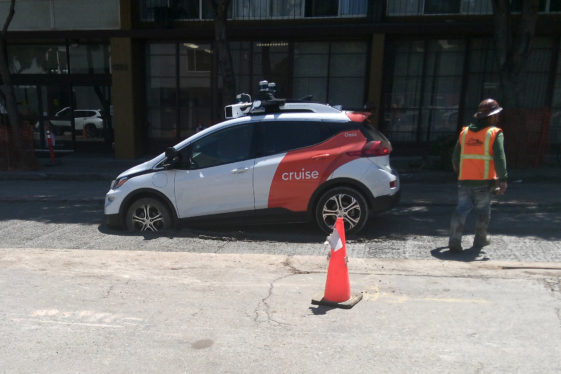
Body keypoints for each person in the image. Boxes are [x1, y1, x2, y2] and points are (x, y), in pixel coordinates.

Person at [448, 98, 508, 253]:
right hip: (484, 181)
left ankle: (454, 241)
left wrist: (461, 172)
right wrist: (503, 179)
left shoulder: (465, 132)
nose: (498, 117)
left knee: (461, 210)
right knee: (483, 211)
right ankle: (480, 239)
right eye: (496, 115)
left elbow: (455, 157)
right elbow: (500, 158)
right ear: (492, 116)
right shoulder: (494, 133)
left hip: (464, 180)